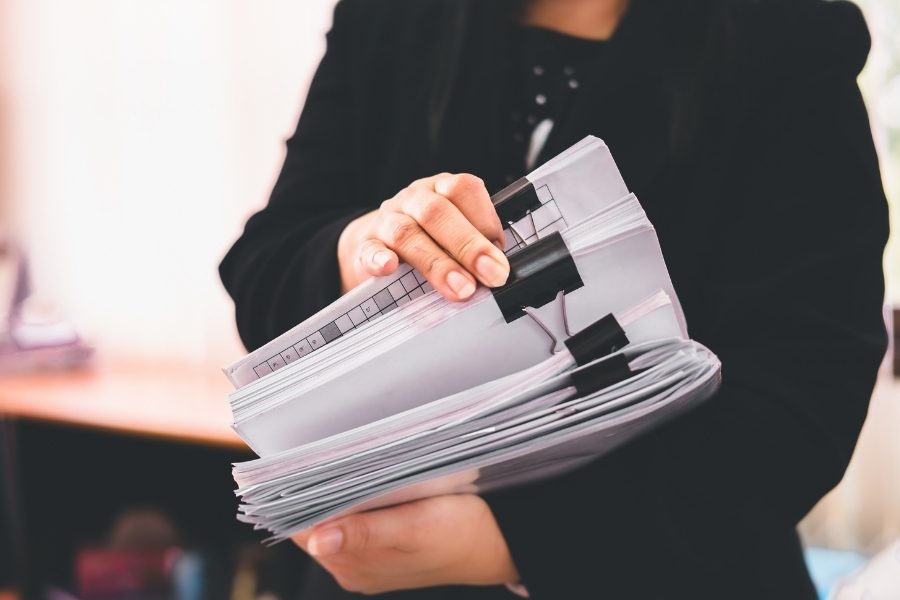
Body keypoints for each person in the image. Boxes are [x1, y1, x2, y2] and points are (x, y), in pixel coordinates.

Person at [219, 0, 889, 597]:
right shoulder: (389, 15)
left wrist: (502, 542)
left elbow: (807, 391)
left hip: (675, 565)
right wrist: (370, 246)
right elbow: (263, 268)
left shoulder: (787, 32)